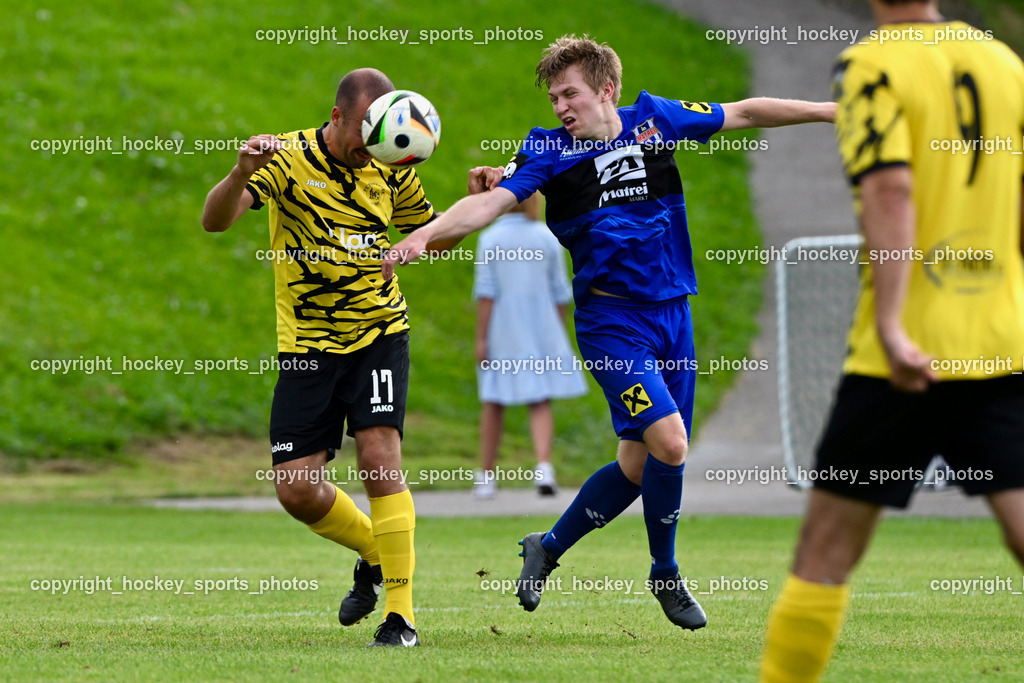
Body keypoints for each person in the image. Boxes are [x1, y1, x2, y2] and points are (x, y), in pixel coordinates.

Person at [383, 35, 834, 630]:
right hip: (611, 322)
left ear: (606, 90)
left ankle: (546, 547)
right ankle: (665, 573)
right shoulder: (546, 151)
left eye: (569, 93)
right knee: (671, 445)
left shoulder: (656, 119)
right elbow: (490, 205)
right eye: (553, 98)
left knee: (637, 464)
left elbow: (746, 112)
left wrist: (831, 112)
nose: (560, 107)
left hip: (674, 315)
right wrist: (427, 234)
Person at [759, 1, 1024, 680]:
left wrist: (892, 324)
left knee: (824, 553)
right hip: (1000, 342)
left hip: (897, 359)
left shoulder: (870, 64)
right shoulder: (1003, 63)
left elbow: (891, 190)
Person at [201, 68, 457, 648]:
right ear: (338, 116)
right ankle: (374, 550)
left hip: (378, 332)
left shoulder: (392, 160)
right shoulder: (286, 157)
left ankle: (401, 617)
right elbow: (214, 221)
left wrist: (442, 225)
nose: (370, 148)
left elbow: (434, 232)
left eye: (379, 136)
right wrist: (240, 171)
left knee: (379, 456)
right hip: (307, 345)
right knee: (295, 489)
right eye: (361, 133)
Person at [472, 191, 588, 499]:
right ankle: (544, 468)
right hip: (542, 328)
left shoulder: (490, 239)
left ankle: (486, 477)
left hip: (503, 329)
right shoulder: (547, 237)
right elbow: (561, 293)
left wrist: (481, 338)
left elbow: (486, 293)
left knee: (494, 400)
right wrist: (555, 331)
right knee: (540, 400)